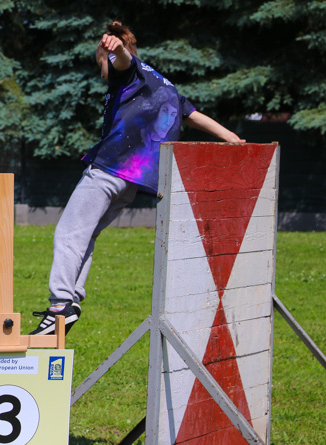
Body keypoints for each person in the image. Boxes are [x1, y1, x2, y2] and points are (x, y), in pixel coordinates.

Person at [30, 21, 244, 335]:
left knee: (68, 234)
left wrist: (115, 51)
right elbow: (192, 114)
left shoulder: (128, 70)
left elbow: (122, 63)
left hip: (109, 170)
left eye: (100, 65)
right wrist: (232, 138)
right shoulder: (163, 83)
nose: (102, 72)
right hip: (134, 181)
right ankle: (71, 302)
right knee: (86, 236)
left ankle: (60, 304)